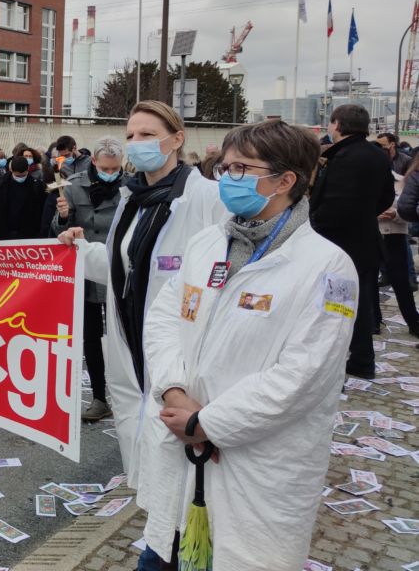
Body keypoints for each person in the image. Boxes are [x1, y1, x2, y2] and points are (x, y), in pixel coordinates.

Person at [138, 120, 358, 570]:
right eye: (225, 166)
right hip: (182, 448)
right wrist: (176, 394)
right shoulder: (207, 244)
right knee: (163, 554)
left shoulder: (330, 268)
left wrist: (209, 422)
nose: (227, 177)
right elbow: (162, 319)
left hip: (256, 468)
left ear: (285, 180)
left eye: (241, 168)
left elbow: (305, 376)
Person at [58, 100, 225, 497]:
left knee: (180, 471)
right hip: (130, 341)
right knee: (142, 447)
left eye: (148, 135)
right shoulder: (131, 201)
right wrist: (78, 251)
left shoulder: (205, 198)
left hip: (180, 351)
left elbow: (222, 277)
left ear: (176, 140)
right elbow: (123, 269)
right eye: (131, 135)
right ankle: (151, 513)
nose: (136, 143)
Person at [309, 104, 394, 378]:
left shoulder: (344, 158)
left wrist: (313, 228)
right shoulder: (377, 156)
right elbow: (387, 197)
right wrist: (367, 213)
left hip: (339, 246)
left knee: (333, 309)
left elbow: (333, 205)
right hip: (367, 239)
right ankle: (362, 360)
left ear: (337, 125)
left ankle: (334, 367)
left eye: (331, 124)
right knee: (363, 303)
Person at [50, 136, 125, 422]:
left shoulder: (130, 186)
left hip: (117, 268)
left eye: (115, 168)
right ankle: (99, 396)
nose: (110, 172)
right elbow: (56, 229)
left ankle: (129, 390)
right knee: (90, 336)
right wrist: (63, 218)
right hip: (85, 273)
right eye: (105, 167)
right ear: (93, 161)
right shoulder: (73, 185)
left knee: (123, 335)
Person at [378, 165, 419, 336]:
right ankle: (373, 320)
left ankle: (413, 321)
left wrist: (395, 215)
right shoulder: (361, 181)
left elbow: (408, 211)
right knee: (368, 281)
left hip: (394, 235)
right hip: (370, 235)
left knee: (401, 282)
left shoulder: (401, 181)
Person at [0, 153, 46, 240]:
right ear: (11, 170)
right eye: (17, 176)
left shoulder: (37, 185)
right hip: (4, 232)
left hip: (30, 233)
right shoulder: (0, 183)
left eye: (23, 175)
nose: (20, 178)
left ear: (28, 169)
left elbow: (41, 209)